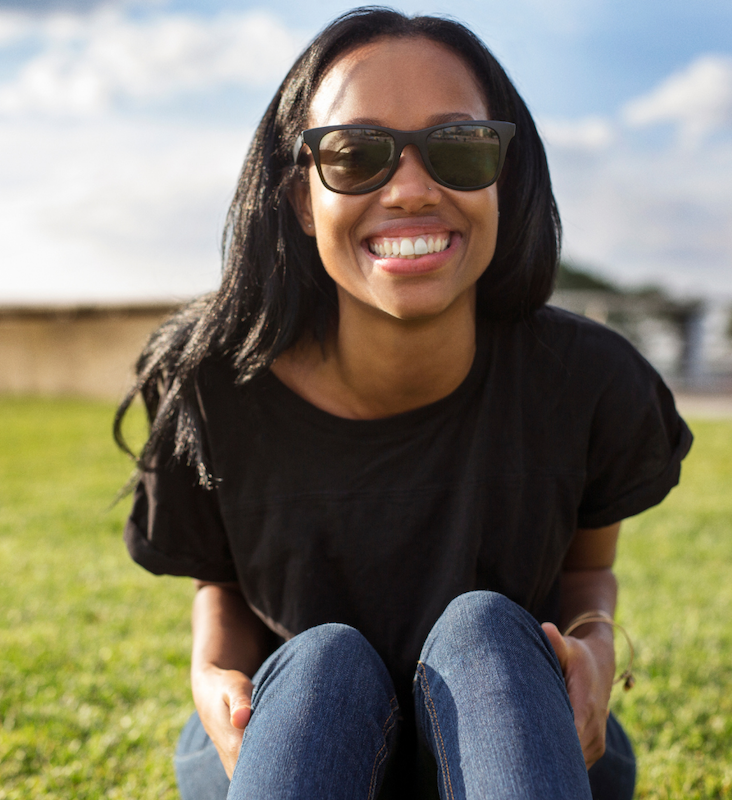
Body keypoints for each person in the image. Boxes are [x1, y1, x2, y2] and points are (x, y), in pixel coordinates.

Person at [116, 8, 692, 799]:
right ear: (297, 195)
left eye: (460, 147)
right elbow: (219, 581)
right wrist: (215, 674)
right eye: (356, 155)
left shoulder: (589, 381)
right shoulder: (213, 384)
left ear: (505, 176)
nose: (413, 189)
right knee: (322, 666)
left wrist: (594, 653)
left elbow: (587, 572)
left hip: (514, 731)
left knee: (486, 634)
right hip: (295, 734)